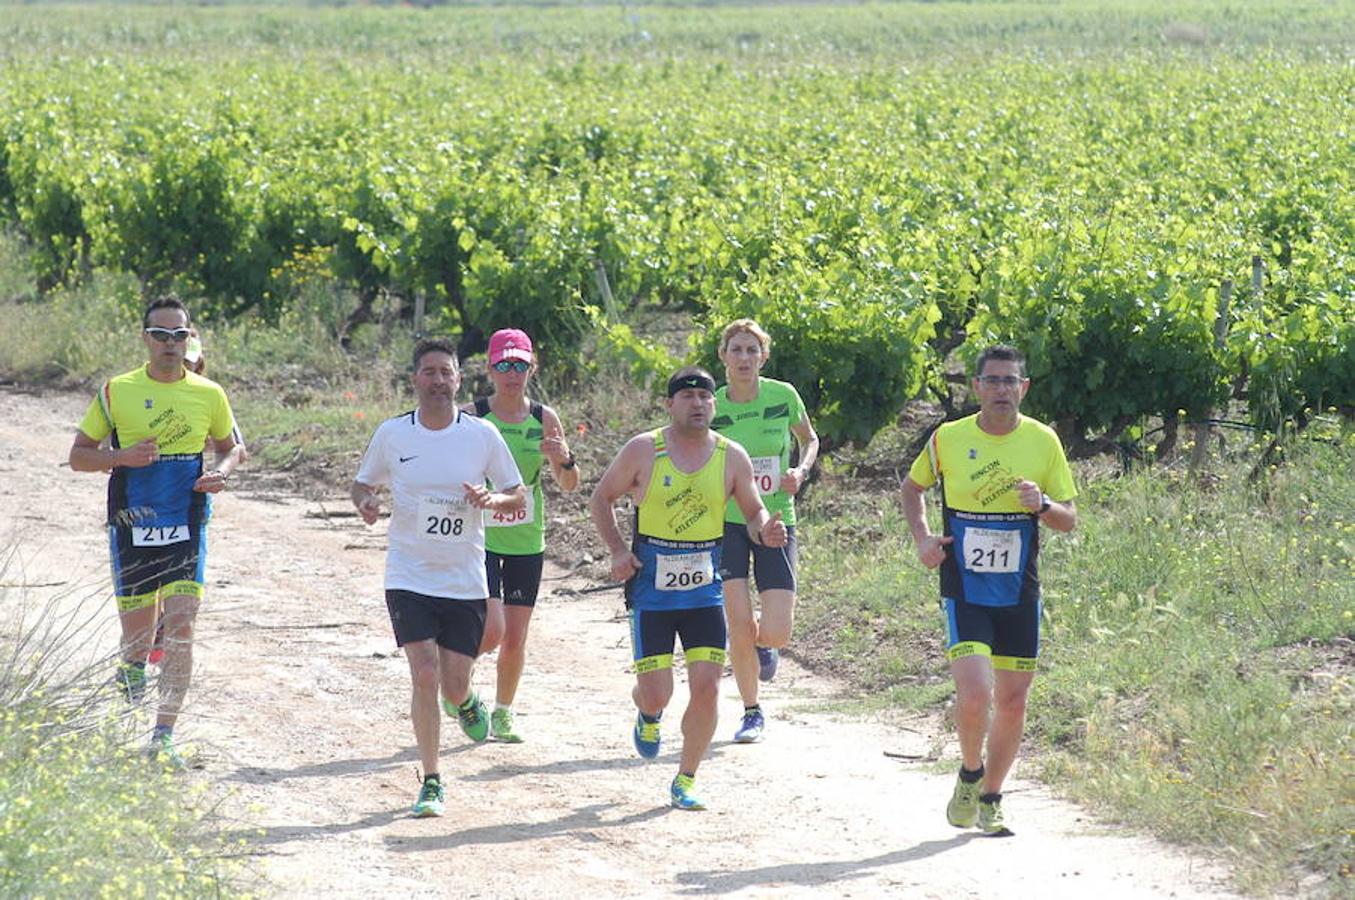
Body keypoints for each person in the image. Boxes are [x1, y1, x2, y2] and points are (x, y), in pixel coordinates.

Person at [590, 366, 787, 811]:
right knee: (659, 691)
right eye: (688, 397)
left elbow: (753, 510)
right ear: (670, 404)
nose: (698, 404)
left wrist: (764, 531)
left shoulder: (731, 455)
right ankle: (648, 711)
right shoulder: (645, 449)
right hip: (653, 592)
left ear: (714, 405)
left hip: (704, 591)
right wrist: (619, 551)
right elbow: (601, 498)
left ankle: (686, 778)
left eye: (705, 397)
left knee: (708, 688)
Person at [901, 345, 1078, 836]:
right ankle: (969, 771)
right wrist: (922, 539)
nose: (1002, 389)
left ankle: (993, 796)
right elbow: (913, 488)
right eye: (993, 380)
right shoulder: (948, 438)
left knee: (1015, 700)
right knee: (976, 693)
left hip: (1020, 590)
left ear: (1024, 388)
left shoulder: (1043, 441)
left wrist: (1041, 504)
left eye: (1011, 381)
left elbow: (1068, 519)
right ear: (976, 387)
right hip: (965, 585)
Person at [351, 337, 526, 818]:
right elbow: (362, 481)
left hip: (464, 579)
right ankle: (431, 780)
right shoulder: (393, 434)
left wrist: (493, 501)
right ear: (416, 380)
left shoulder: (481, 436)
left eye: (445, 372)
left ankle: (466, 701)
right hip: (409, 575)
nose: (437, 381)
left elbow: (519, 495)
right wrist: (364, 502)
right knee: (423, 673)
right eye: (429, 372)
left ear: (458, 379)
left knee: (451, 683)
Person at [68, 296, 245, 768]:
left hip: (187, 519)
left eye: (178, 335)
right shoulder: (116, 391)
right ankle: (131, 668)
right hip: (132, 522)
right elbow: (78, 455)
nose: (170, 344)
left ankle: (163, 734)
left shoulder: (209, 393)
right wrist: (119, 458)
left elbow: (233, 448)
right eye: (161, 335)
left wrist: (221, 472)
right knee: (138, 642)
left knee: (183, 623)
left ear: (190, 339)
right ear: (145, 339)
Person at [468, 328, 580, 743]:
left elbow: (569, 484)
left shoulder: (544, 419)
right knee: (491, 629)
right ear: (489, 368)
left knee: (515, 638)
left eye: (519, 365)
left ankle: (502, 712)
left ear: (532, 367)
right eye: (503, 365)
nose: (511, 374)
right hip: (480, 538)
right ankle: (457, 677)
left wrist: (564, 460)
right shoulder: (474, 415)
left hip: (526, 541)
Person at [712, 319, 819, 744]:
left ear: (763, 357)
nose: (743, 358)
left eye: (751, 351)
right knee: (738, 623)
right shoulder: (712, 405)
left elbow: (809, 439)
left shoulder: (783, 395)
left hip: (776, 521)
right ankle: (751, 711)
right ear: (723, 356)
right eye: (735, 350)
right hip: (728, 524)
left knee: (775, 629)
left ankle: (764, 647)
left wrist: (800, 471)